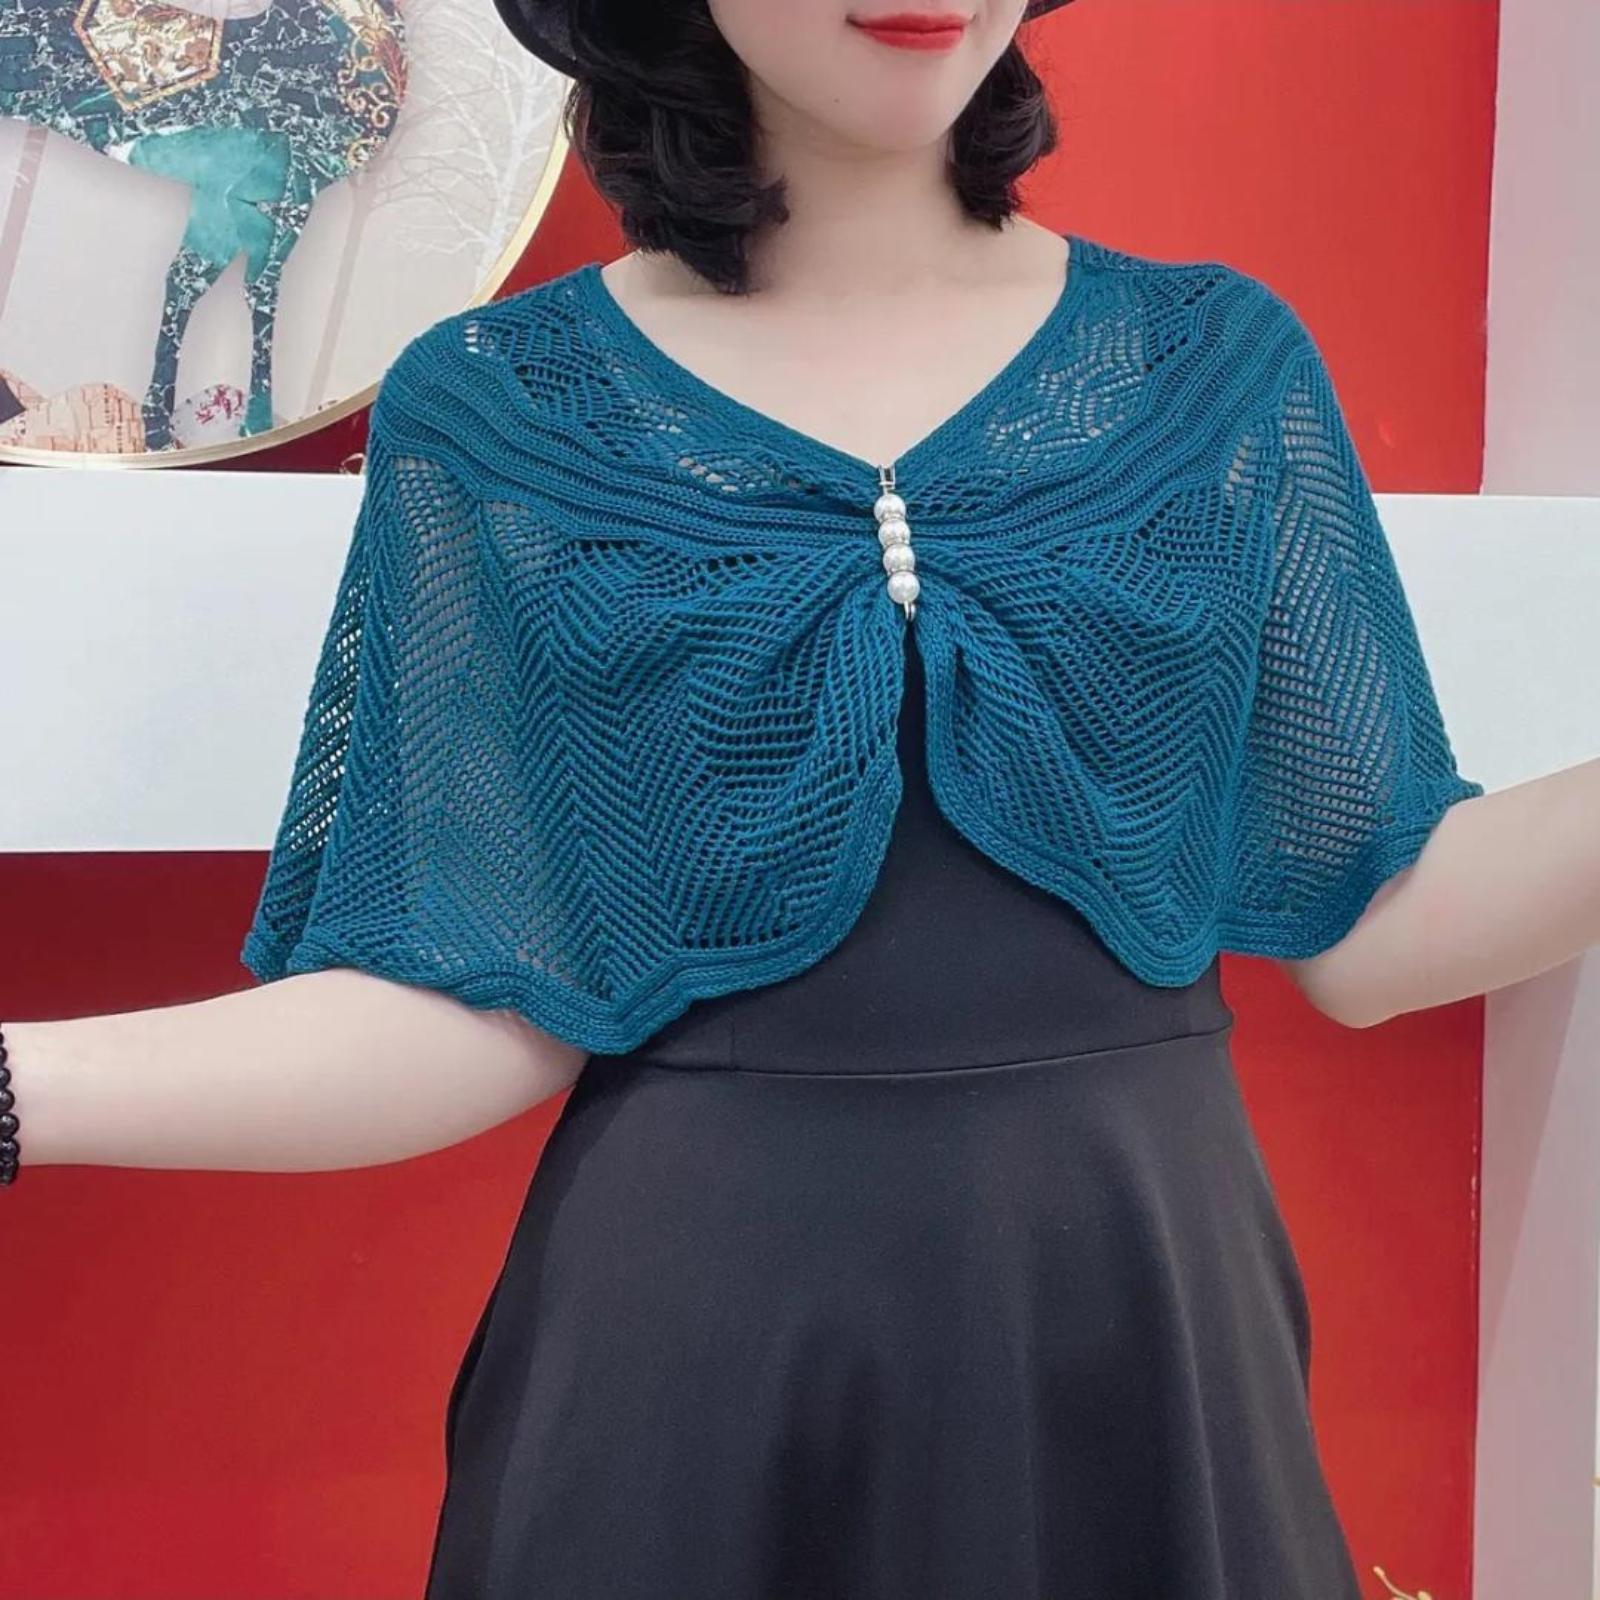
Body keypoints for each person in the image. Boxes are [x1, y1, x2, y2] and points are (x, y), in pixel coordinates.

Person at [8, 2, 1600, 1596]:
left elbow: (1374, 915)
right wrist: (26, 1087)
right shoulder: (503, 408)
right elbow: (463, 994)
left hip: (1139, 1334)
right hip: (685, 1370)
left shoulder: (1210, 367)